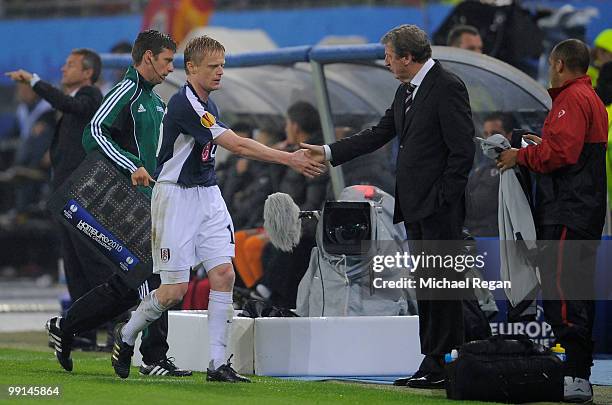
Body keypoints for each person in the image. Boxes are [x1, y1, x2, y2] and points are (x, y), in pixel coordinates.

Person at [110, 35, 324, 382]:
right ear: (191, 67)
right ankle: (127, 333)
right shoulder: (185, 104)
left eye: (222, 65)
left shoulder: (210, 105)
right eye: (213, 66)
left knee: (224, 274)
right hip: (175, 196)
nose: (220, 72)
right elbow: (236, 145)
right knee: (173, 291)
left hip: (207, 194)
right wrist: (289, 158)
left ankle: (216, 363)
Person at [302, 24, 475, 389]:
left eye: (389, 56)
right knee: (428, 286)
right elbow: (379, 133)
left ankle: (448, 362)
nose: (386, 62)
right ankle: (432, 362)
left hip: (439, 207)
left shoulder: (447, 87)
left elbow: (462, 152)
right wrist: (329, 152)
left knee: (443, 287)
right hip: (416, 206)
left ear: (407, 57)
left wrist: (444, 198)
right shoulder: (407, 91)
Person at [44, 30, 191, 378]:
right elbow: (94, 130)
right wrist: (131, 165)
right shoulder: (125, 91)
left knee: (129, 285)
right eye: (168, 60)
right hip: (119, 202)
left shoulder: (157, 102)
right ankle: (153, 357)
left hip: (151, 203)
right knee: (154, 277)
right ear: (148, 58)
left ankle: (65, 327)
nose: (171, 68)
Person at [498, 39, 608, 403]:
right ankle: (578, 372)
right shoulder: (588, 99)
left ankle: (576, 374)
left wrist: (521, 156)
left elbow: (561, 153)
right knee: (574, 290)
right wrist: (537, 146)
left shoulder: (572, 99)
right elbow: (566, 149)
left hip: (568, 209)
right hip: (582, 208)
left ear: (559, 64)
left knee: (562, 292)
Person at [7, 48, 105, 349]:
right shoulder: (75, 102)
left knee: (92, 263)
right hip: (65, 194)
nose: (63, 69)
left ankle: (115, 324)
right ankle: (83, 330)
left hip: (81, 195)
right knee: (74, 265)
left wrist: (35, 81)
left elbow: (66, 103)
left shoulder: (90, 97)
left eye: (71, 65)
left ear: (88, 72)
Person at [464, 112, 514, 237]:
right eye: (486, 134)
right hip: (474, 236)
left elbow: (482, 204)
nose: (489, 139)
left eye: (495, 134)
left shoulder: (517, 169)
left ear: (509, 136)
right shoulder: (480, 169)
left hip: (498, 238)